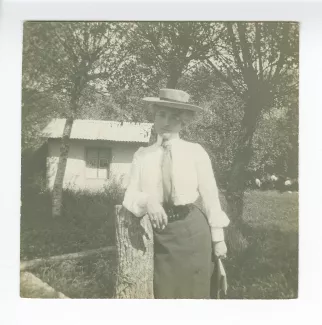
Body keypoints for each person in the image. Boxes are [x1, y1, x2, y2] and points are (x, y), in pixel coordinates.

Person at [122, 89, 230, 299]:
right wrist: (149, 201)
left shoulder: (195, 152)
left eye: (174, 118)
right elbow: (129, 195)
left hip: (193, 233)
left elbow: (210, 197)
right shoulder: (142, 156)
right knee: (165, 295)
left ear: (184, 123)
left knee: (195, 296)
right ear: (153, 118)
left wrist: (218, 239)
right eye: (161, 115)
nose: (166, 122)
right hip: (160, 236)